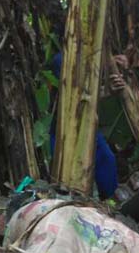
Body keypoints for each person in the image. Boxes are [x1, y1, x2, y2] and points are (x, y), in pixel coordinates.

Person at [50, 53, 119, 199]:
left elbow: (87, 92)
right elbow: (73, 91)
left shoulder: (89, 54)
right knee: (66, 175)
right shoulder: (63, 59)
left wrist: (108, 89)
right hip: (61, 128)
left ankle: (109, 199)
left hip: (86, 125)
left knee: (107, 159)